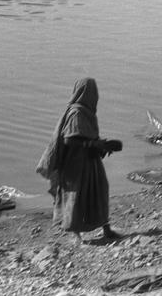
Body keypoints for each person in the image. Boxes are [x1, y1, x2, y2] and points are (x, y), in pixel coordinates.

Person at [36, 77, 122, 240]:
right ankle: (76, 234)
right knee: (76, 197)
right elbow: (69, 139)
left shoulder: (87, 112)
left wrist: (103, 145)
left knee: (100, 190)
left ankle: (106, 228)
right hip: (75, 163)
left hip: (90, 161)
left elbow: (84, 135)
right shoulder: (76, 112)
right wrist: (94, 144)